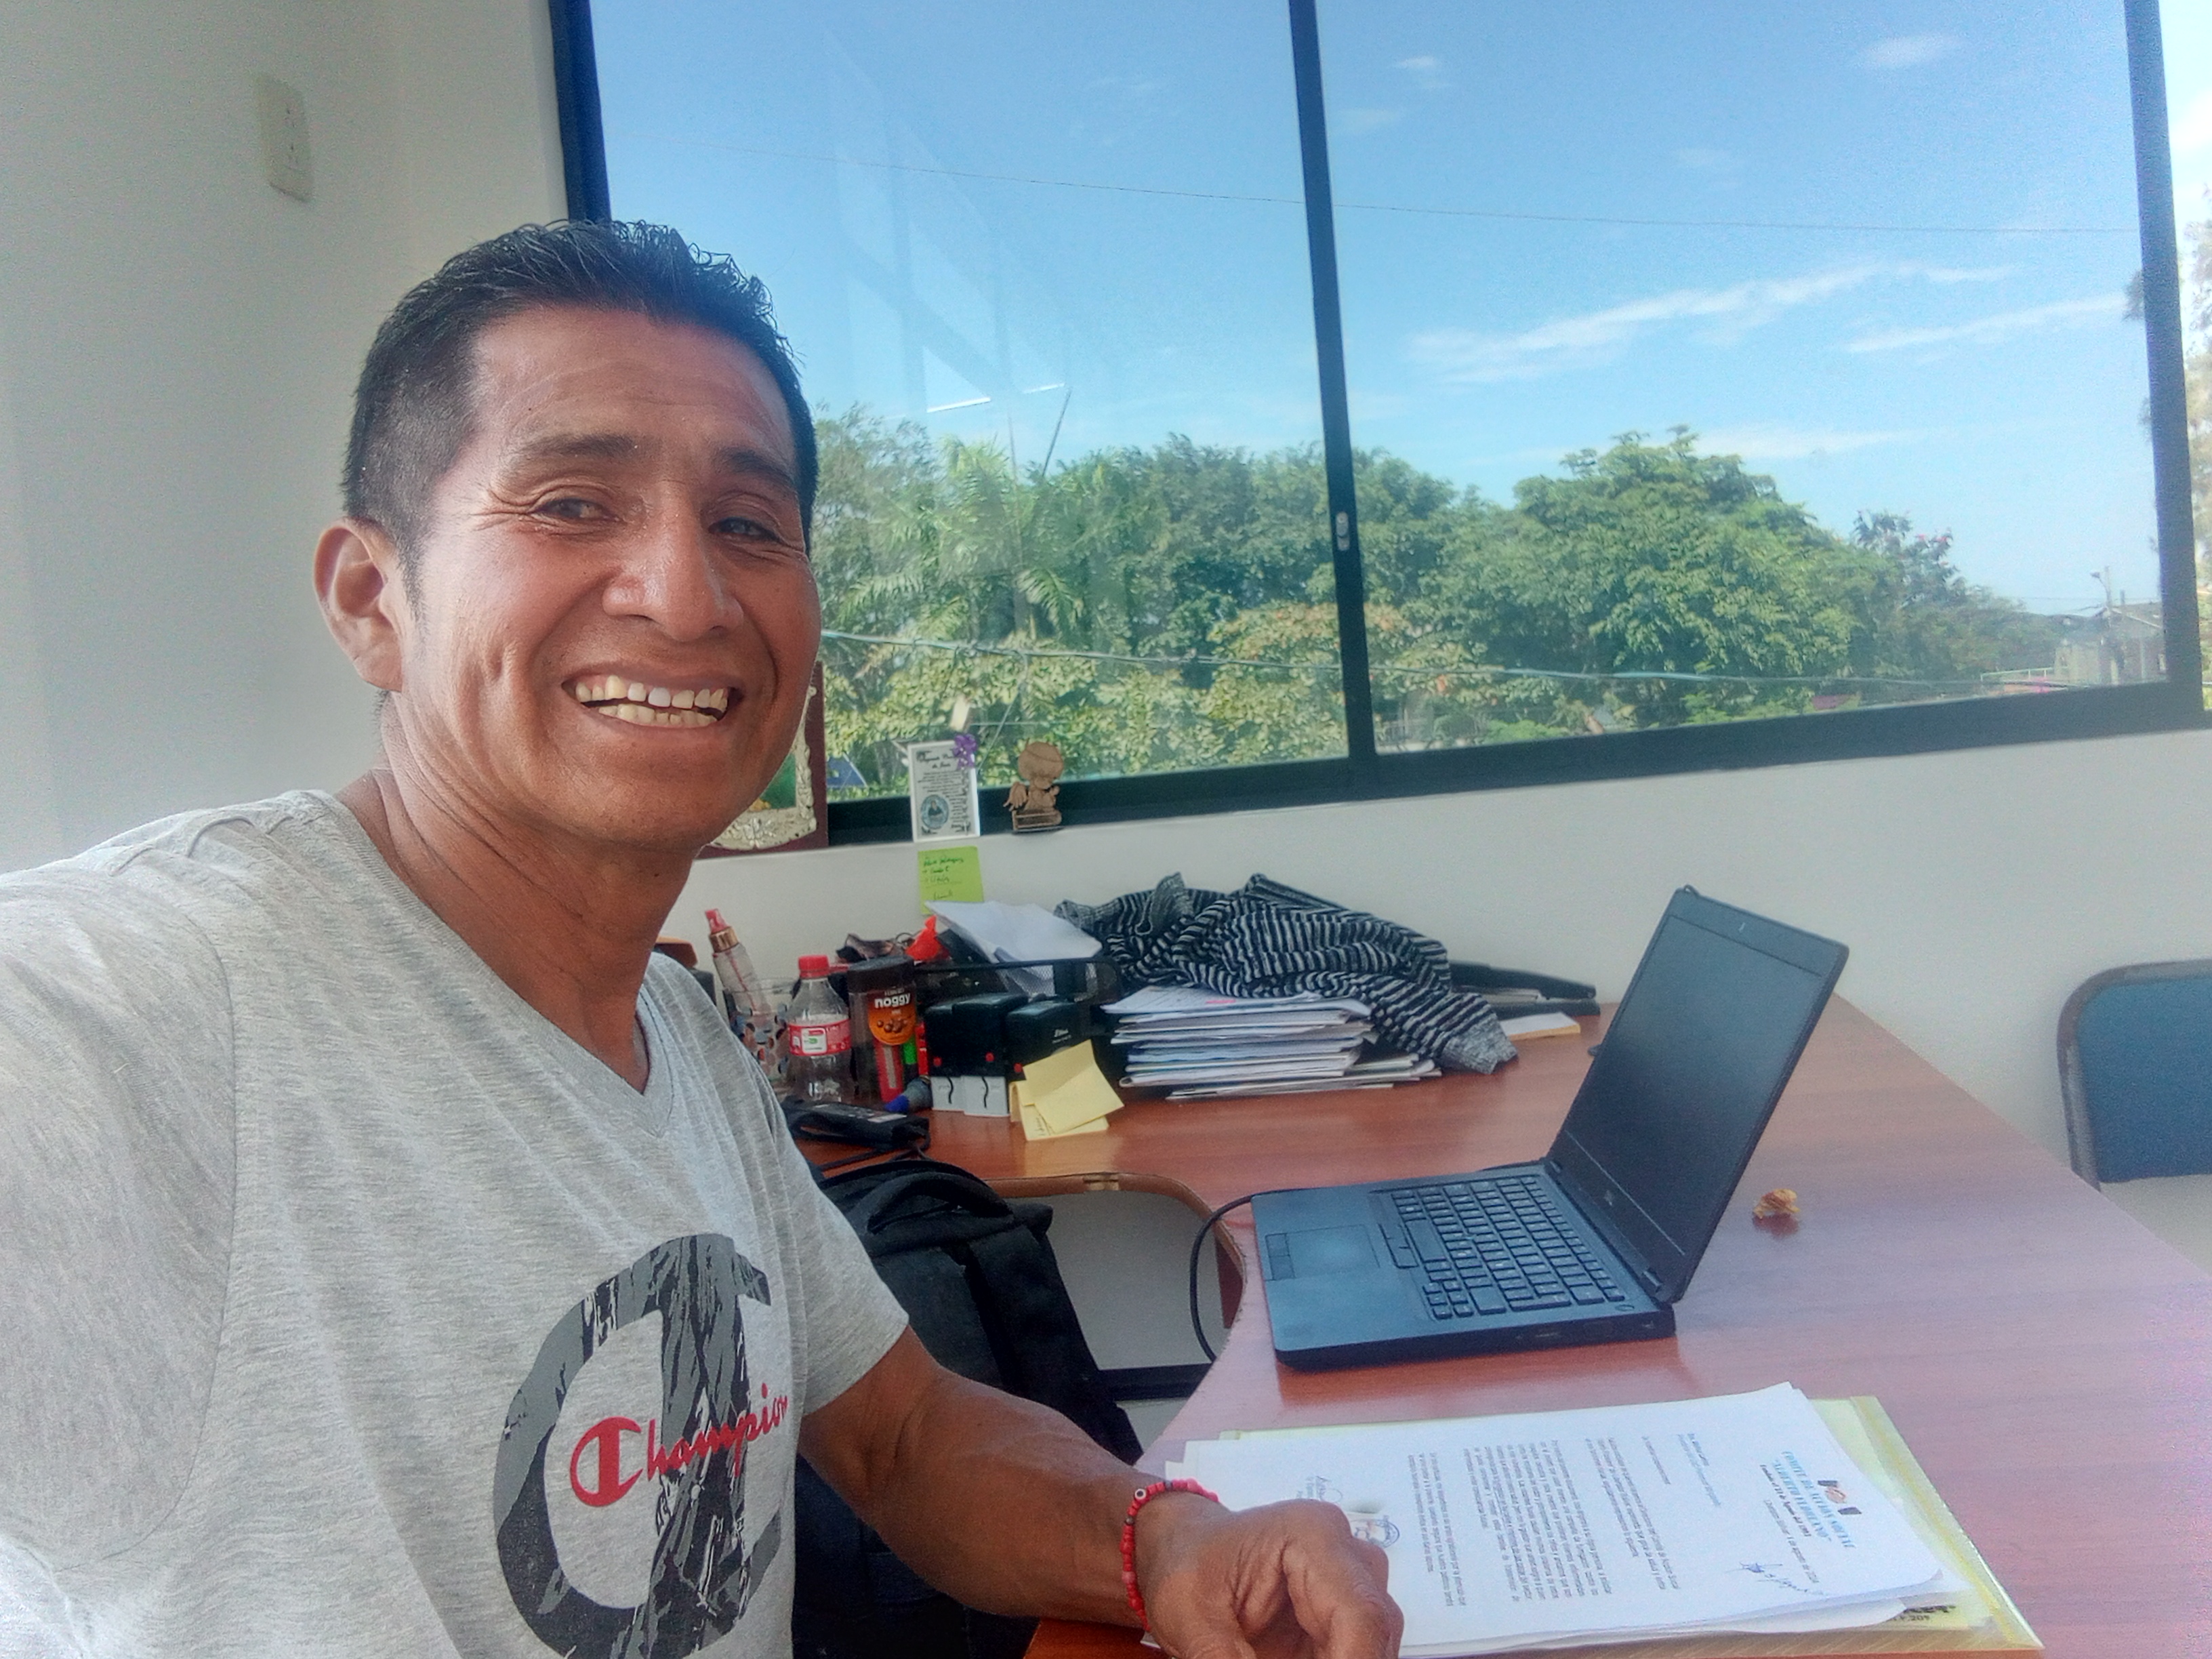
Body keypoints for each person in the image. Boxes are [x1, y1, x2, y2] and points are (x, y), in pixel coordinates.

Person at [0, 221, 1401, 1659]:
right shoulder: (151, 1006)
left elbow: (905, 1435)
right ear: (373, 600)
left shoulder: (680, 1041)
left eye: (747, 524)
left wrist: (1167, 1540)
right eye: (570, 503)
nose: (685, 595)